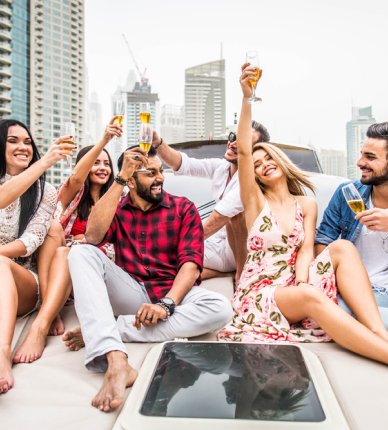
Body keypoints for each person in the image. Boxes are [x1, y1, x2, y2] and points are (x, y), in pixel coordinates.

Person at [218, 64, 388, 384]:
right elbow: (245, 152)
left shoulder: (306, 204)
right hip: (263, 290)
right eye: (257, 165)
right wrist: (247, 98)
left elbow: (306, 249)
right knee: (311, 298)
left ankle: (382, 336)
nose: (263, 165)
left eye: (269, 158)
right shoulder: (255, 203)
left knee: (341, 246)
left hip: (297, 281)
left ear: (280, 161)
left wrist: (303, 280)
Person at [62, 145, 232, 412]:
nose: (160, 178)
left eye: (160, 171)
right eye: (151, 173)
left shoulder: (183, 208)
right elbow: (92, 237)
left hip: (174, 291)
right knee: (80, 252)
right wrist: (119, 179)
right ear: (131, 181)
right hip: (131, 292)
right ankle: (116, 359)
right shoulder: (117, 208)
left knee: (220, 309)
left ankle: (108, 328)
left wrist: (166, 304)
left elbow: (191, 265)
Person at [12, 119, 121, 364]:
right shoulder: (75, 195)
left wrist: (85, 242)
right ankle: (49, 313)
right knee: (55, 231)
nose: (102, 168)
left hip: (96, 270)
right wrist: (104, 140)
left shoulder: (119, 197)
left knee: (68, 251)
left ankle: (45, 317)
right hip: (60, 266)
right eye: (95, 163)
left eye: (106, 163)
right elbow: (75, 179)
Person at [315, 122, 388, 344]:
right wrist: (327, 287)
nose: (360, 162)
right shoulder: (347, 193)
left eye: (370, 157)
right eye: (361, 155)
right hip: (358, 292)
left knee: (338, 314)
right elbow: (323, 240)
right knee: (332, 310)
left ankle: (362, 315)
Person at [0, 119, 75, 394]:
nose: (23, 147)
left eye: (28, 142)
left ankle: (2, 353)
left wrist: (44, 164)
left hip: (22, 281)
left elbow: (29, 243)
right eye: (13, 141)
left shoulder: (46, 191)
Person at [152, 120, 270, 281]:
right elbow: (183, 164)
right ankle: (221, 273)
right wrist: (158, 143)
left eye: (243, 142)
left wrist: (178, 245)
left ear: (254, 152)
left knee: (165, 258)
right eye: (233, 137)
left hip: (237, 251)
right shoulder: (222, 167)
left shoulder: (250, 181)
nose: (233, 144)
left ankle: (235, 270)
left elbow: (218, 218)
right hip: (215, 242)